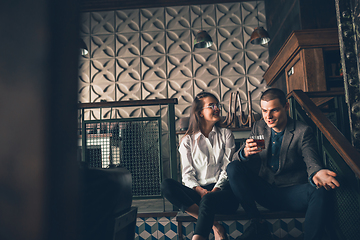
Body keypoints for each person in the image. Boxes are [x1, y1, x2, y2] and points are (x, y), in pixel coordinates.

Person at [226, 88, 340, 240]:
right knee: (233, 167)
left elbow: (310, 158)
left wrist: (317, 172)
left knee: (320, 191)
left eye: (274, 110)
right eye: (264, 111)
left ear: (286, 107)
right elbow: (234, 160)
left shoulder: (302, 131)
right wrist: (244, 153)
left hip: (291, 193)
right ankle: (257, 223)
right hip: (264, 191)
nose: (268, 116)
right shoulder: (258, 127)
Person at [161, 92, 239, 240]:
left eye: (217, 105)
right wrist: (200, 191)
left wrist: (215, 190)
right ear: (200, 113)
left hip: (223, 195)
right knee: (167, 185)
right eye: (211, 106)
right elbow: (187, 175)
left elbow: (227, 168)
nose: (217, 108)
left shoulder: (226, 134)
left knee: (209, 199)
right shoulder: (187, 141)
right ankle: (215, 226)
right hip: (199, 194)